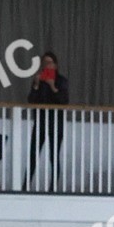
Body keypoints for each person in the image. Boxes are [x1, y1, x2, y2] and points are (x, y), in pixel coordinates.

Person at [24, 51, 69, 192]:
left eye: (49, 63)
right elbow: (32, 100)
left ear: (55, 65)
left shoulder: (61, 80)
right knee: (33, 154)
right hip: (41, 122)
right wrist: (36, 85)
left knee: (53, 155)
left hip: (56, 123)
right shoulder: (40, 80)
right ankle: (25, 185)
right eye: (44, 63)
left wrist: (53, 86)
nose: (47, 66)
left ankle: (53, 187)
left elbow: (63, 101)